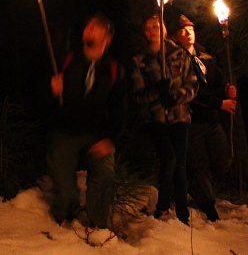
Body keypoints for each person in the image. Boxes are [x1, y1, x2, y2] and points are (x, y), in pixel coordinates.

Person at [47, 13, 127, 242]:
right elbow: (42, 101)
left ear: (107, 38)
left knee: (103, 175)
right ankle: (65, 216)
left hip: (98, 134)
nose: (89, 31)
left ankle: (99, 226)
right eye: (88, 27)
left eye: (96, 28)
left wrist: (110, 139)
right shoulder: (67, 60)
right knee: (63, 183)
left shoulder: (114, 70)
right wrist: (52, 91)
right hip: (66, 130)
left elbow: (120, 110)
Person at [130, 14, 199, 225]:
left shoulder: (180, 55)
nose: (152, 31)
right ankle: (162, 207)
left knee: (179, 164)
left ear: (164, 29)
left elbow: (193, 84)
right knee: (168, 158)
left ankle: (182, 213)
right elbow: (137, 95)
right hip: (155, 118)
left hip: (179, 117)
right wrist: (157, 93)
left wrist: (176, 96)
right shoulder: (140, 61)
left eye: (155, 27)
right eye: (148, 28)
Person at [172, 15, 237, 222]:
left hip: (212, 120)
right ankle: (209, 209)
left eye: (190, 28)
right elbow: (193, 92)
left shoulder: (205, 57)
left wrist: (228, 90)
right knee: (199, 165)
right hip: (192, 121)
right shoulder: (176, 59)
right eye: (182, 30)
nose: (188, 32)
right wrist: (220, 104)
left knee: (222, 161)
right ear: (175, 36)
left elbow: (217, 82)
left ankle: (200, 190)